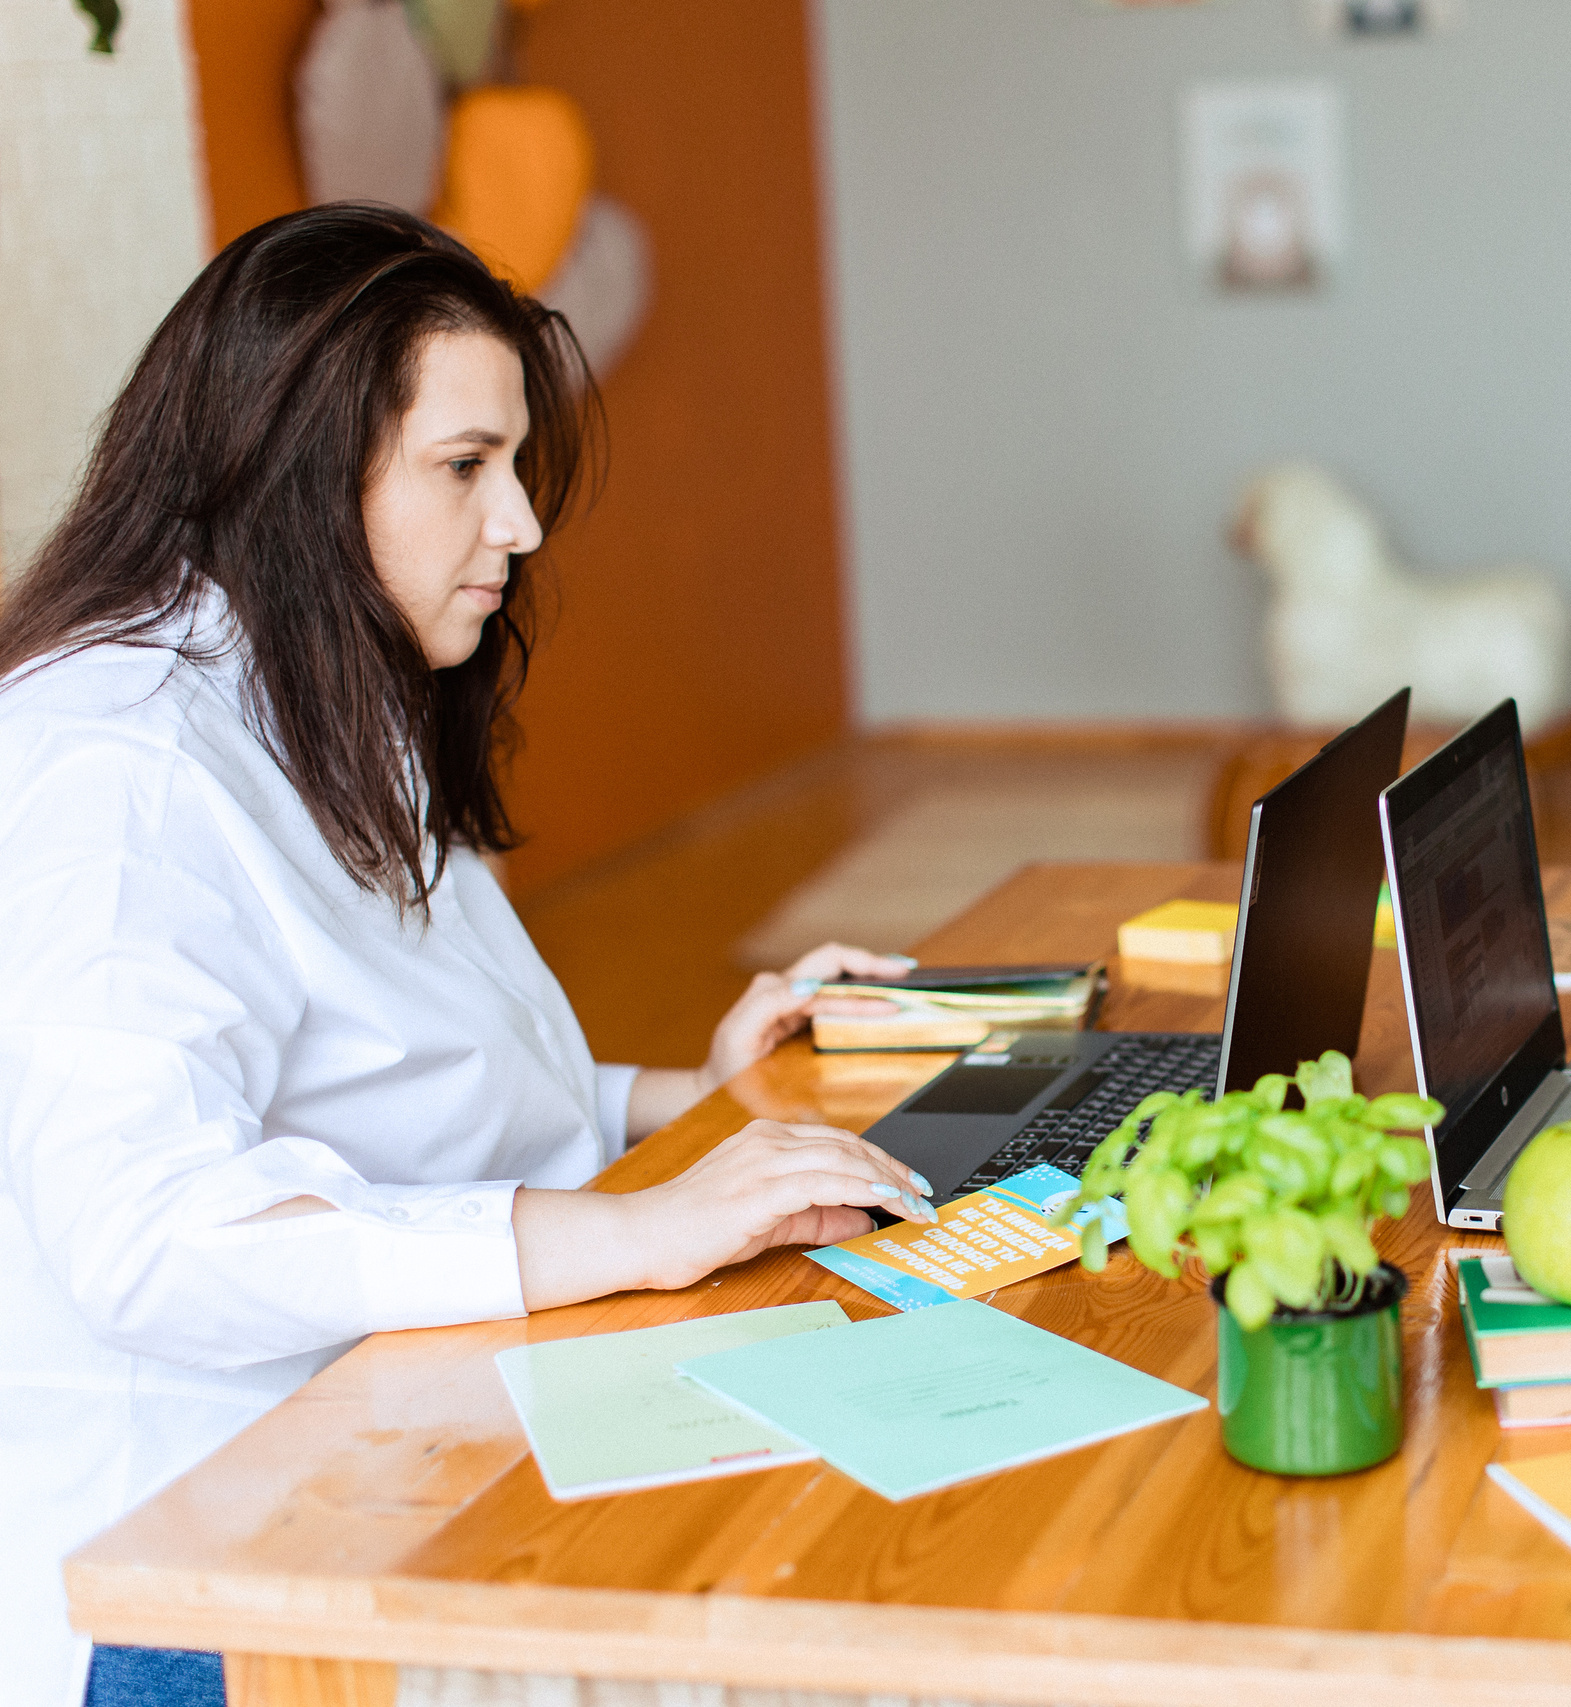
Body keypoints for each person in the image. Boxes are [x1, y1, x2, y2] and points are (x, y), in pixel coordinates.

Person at [0, 205, 938, 1707]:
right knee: (856, 1604)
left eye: (513, 466)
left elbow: (420, 1074)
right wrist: (635, 1230)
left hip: (407, 1426)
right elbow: (154, 1240)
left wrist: (689, 1093)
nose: (521, 524)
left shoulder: (324, 682)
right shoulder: (112, 765)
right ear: (297, 473)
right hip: (211, 1565)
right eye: (465, 469)